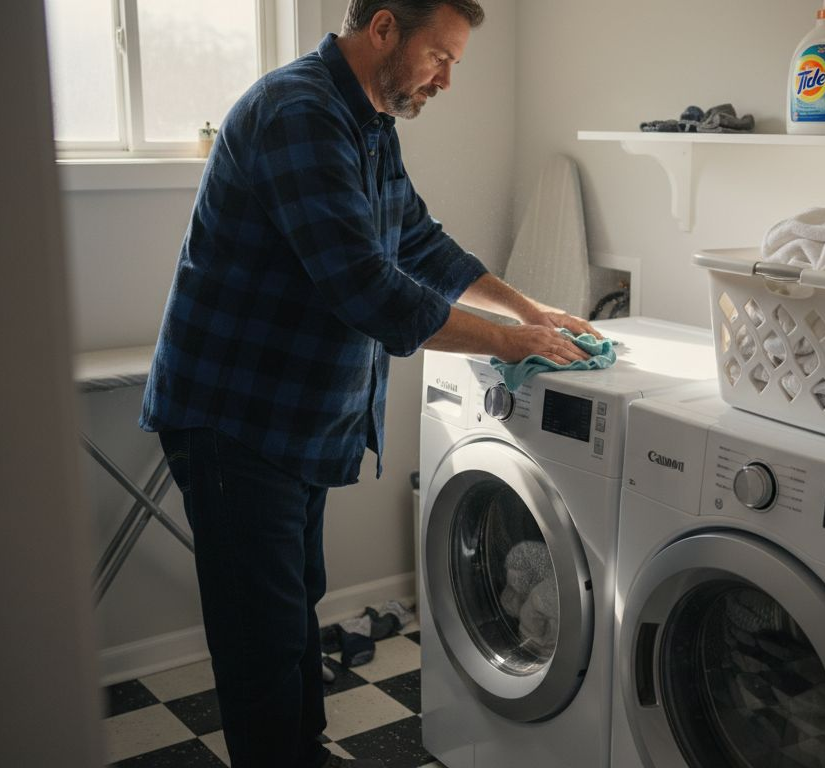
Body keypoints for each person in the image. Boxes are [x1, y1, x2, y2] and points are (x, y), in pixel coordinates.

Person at [139, 2, 598, 766]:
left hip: (293, 419)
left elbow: (414, 237)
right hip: (235, 416)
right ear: (384, 27)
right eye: (440, 57)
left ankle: (301, 748)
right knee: (260, 634)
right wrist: (514, 341)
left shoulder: (370, 119)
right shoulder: (300, 114)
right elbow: (367, 288)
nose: (447, 79)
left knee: (291, 611)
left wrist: (528, 305)